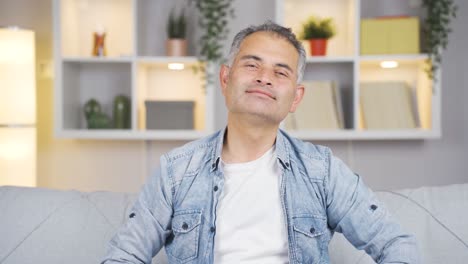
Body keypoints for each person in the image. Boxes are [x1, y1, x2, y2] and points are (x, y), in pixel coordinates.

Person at [102, 21, 420, 264]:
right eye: (252, 65)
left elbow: (397, 245)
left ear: (296, 98)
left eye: (281, 72)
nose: (264, 77)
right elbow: (124, 256)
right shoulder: (175, 171)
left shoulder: (322, 171)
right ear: (226, 80)